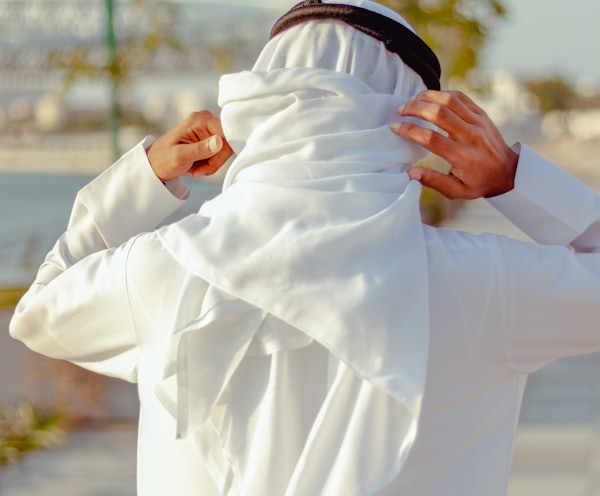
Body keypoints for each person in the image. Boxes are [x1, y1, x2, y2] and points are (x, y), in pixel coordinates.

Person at [9, 0, 600, 494]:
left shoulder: (164, 269)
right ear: (413, 119)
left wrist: (144, 179)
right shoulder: (482, 285)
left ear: (260, 102)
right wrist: (513, 180)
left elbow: (41, 312)